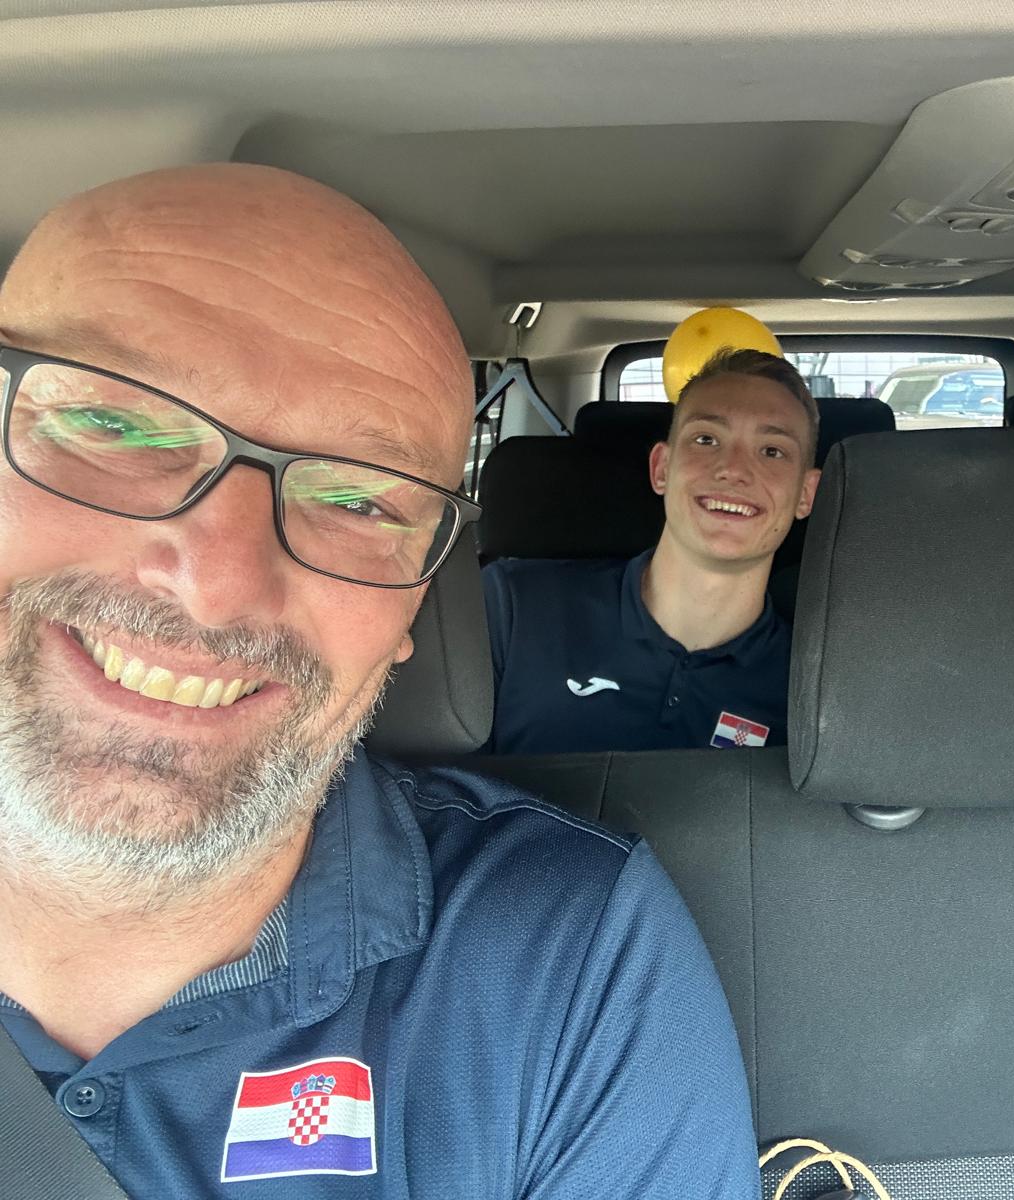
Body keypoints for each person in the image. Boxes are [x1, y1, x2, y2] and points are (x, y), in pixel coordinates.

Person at [0, 165, 755, 1197]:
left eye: (359, 501)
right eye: (118, 425)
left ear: (414, 614)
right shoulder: (533, 609)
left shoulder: (561, 960)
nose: (218, 587)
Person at [482, 347, 821, 754]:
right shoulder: (512, 607)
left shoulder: (815, 692)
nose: (733, 469)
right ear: (661, 468)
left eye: (772, 451)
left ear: (806, 494)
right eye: (707, 439)